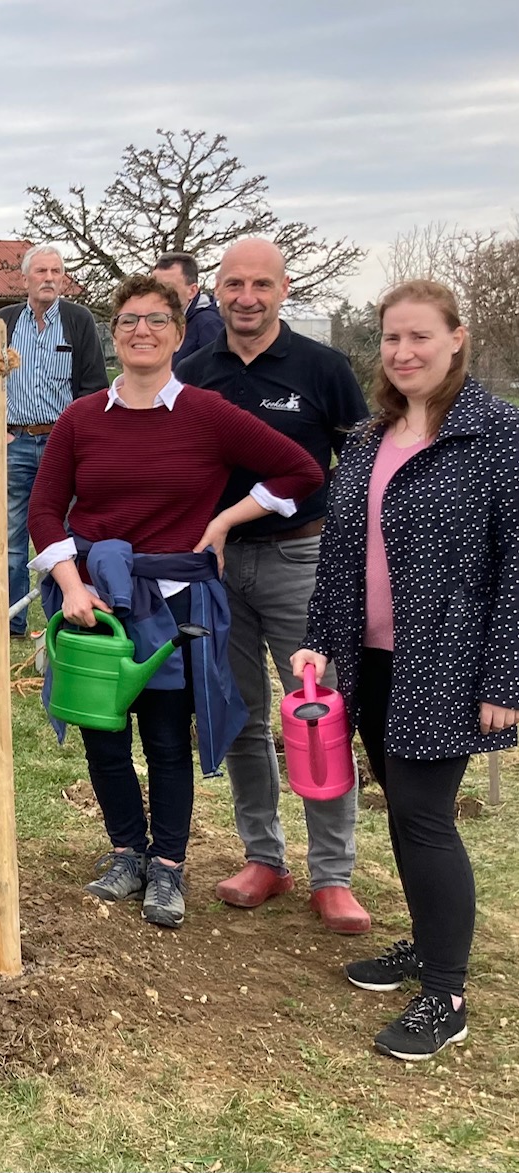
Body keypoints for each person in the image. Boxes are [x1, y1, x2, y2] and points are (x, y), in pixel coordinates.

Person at [29, 274, 321, 929]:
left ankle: (166, 867)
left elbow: (300, 471)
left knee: (164, 739)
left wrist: (224, 522)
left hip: (169, 604)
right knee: (102, 738)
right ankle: (125, 852)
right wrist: (72, 584)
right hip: (96, 607)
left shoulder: (205, 414)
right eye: (129, 319)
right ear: (113, 332)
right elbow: (45, 509)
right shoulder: (80, 419)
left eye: (156, 320)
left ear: (179, 333)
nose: (141, 330)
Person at [294, 280, 519, 1060]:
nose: (403, 352)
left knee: (424, 817)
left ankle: (446, 992)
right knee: (400, 807)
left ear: (456, 338)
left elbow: (516, 564)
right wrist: (320, 642)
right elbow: (341, 555)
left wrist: (504, 678)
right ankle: (425, 945)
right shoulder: (366, 437)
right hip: (372, 658)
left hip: (448, 663)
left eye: (420, 336)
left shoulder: (495, 435)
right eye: (391, 338)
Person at [176, 238, 372, 934]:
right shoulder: (192, 371)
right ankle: (263, 856)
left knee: (315, 717)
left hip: (303, 563)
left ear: (283, 290)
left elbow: (360, 469)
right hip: (220, 569)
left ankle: (333, 873)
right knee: (239, 717)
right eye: (233, 284)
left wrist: (351, 561)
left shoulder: (324, 370)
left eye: (260, 283)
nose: (246, 296)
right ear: (216, 292)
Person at [0, 245, 108, 638]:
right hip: (16, 443)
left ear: (63, 279)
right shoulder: (5, 321)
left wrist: (78, 440)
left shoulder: (79, 321)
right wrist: (0, 428)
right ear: (24, 278)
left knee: (65, 535)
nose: (49, 278)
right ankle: (11, 623)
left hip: (63, 446)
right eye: (41, 271)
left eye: (56, 271)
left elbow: (95, 388)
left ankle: (64, 617)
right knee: (11, 536)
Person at [152, 251, 224, 364]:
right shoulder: (159, 321)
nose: (159, 294)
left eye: (168, 288)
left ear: (192, 291)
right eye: (154, 287)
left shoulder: (208, 325)